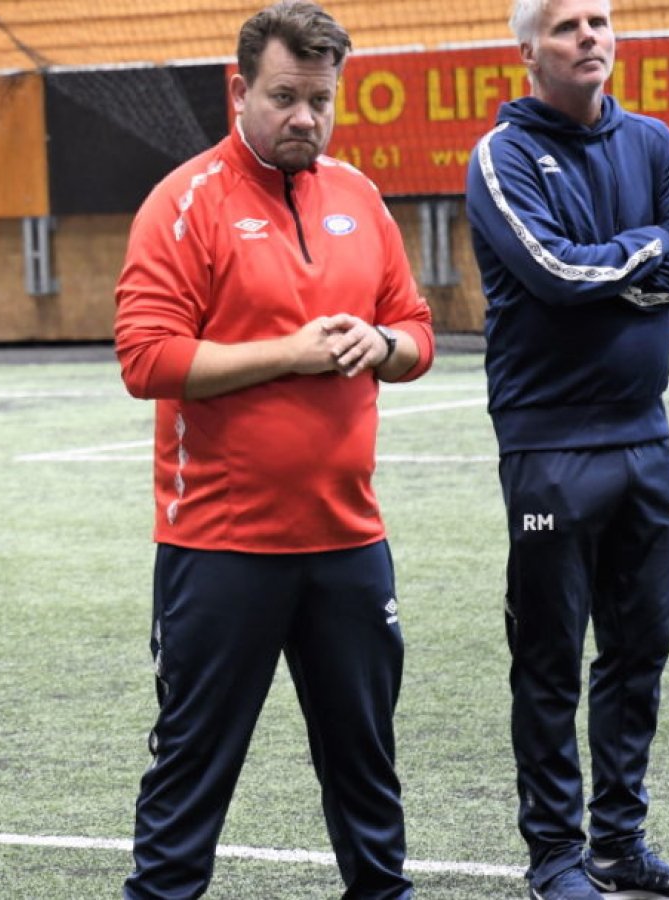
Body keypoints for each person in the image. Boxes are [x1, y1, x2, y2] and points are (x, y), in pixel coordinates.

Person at [114, 3, 435, 897]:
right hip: (220, 549)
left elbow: (415, 330)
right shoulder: (182, 205)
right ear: (239, 90)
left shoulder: (360, 198)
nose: (306, 117)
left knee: (368, 772)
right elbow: (147, 360)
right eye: (286, 97)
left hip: (350, 545)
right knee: (190, 777)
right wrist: (293, 354)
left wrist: (383, 346)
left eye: (322, 100)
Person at [463, 2, 669, 899]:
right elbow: (552, 274)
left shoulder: (653, 144)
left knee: (638, 649)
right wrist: (647, 246)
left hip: (646, 441)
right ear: (528, 48)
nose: (591, 36)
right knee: (548, 657)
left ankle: (618, 845)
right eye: (569, 23)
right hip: (548, 447)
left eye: (601, 19)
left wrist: (623, 260)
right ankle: (553, 859)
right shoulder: (499, 157)